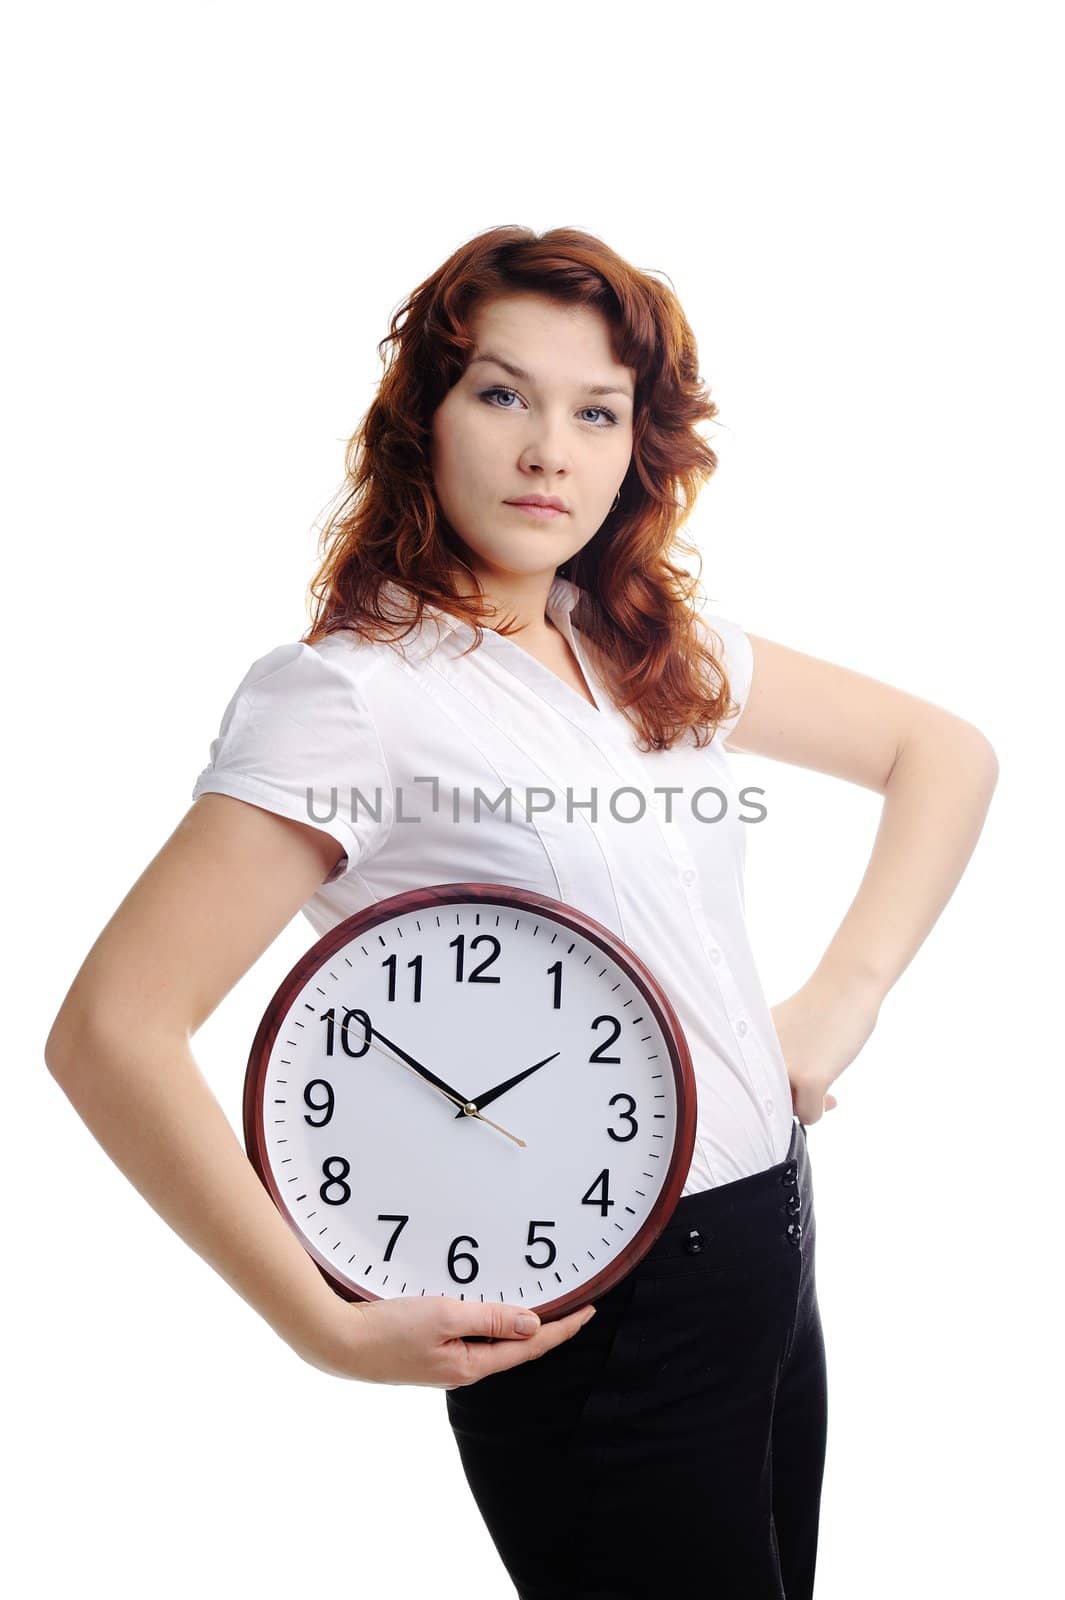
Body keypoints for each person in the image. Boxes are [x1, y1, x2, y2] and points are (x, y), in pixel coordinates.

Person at [44, 225, 999, 1599]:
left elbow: (942, 752)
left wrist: (835, 1005)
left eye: (593, 410)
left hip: (767, 1242)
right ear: (421, 418)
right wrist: (314, 1322)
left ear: (634, 447)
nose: (550, 448)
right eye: (501, 394)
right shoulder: (353, 697)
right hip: (586, 1314)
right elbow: (113, 1028)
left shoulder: (641, 639)